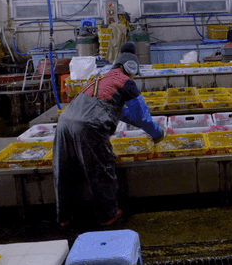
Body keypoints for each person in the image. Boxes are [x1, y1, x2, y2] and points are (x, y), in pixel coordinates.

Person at [53, 42, 165, 227]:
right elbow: (141, 116)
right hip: (89, 126)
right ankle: (108, 214)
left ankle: (64, 216)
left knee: (65, 170)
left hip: (64, 122)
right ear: (131, 68)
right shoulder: (126, 83)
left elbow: (120, 112)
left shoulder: (101, 77)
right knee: (100, 169)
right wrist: (157, 133)